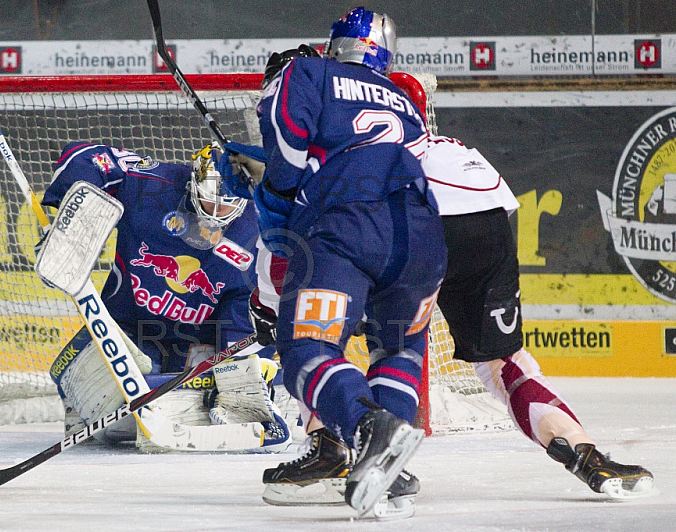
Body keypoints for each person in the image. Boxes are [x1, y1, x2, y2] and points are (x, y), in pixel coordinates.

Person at [227, 62, 656, 510]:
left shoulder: (332, 144)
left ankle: (332, 449)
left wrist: (266, 307)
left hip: (393, 213)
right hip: (483, 212)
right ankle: (587, 454)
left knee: (314, 340)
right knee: (492, 361)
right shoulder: (399, 111)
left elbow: (286, 265)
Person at [234, 5, 448, 516]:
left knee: (308, 345)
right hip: (424, 235)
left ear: (335, 43)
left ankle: (366, 427)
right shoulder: (405, 97)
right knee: (399, 349)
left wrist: (275, 196)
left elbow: (287, 145)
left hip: (348, 226)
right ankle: (387, 471)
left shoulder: (306, 71)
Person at [40, 141, 285, 447]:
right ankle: (97, 410)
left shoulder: (261, 224)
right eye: (211, 202)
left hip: (201, 340)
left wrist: (241, 365)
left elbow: (245, 306)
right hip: (129, 326)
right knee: (107, 404)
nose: (218, 214)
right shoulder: (152, 187)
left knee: (223, 382)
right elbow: (88, 157)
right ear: (194, 184)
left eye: (228, 205)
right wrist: (69, 221)